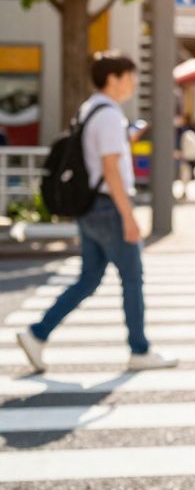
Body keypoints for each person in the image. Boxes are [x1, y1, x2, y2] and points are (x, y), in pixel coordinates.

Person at [15, 51, 177, 373]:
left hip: (90, 207)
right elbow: (110, 169)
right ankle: (139, 350)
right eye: (130, 76)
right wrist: (128, 216)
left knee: (89, 279)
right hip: (107, 207)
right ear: (113, 78)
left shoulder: (90, 109)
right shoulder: (109, 115)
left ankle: (38, 333)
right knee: (132, 278)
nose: (132, 83)